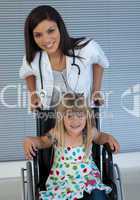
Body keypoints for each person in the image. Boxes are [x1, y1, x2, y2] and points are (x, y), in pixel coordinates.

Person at [24, 93, 120, 200]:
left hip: (87, 177)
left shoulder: (89, 132)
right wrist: (30, 140)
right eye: (69, 116)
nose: (75, 120)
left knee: (98, 195)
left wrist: (108, 138)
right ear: (62, 118)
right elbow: (42, 141)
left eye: (80, 115)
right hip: (62, 180)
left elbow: (100, 137)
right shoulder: (57, 134)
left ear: (86, 116)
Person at [19, 5, 109, 112]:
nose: (46, 40)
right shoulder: (33, 58)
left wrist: (96, 91)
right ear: (32, 37)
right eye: (38, 35)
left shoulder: (86, 48)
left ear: (60, 28)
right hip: (51, 119)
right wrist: (33, 96)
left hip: (82, 118)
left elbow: (99, 62)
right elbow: (27, 73)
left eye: (50, 31)